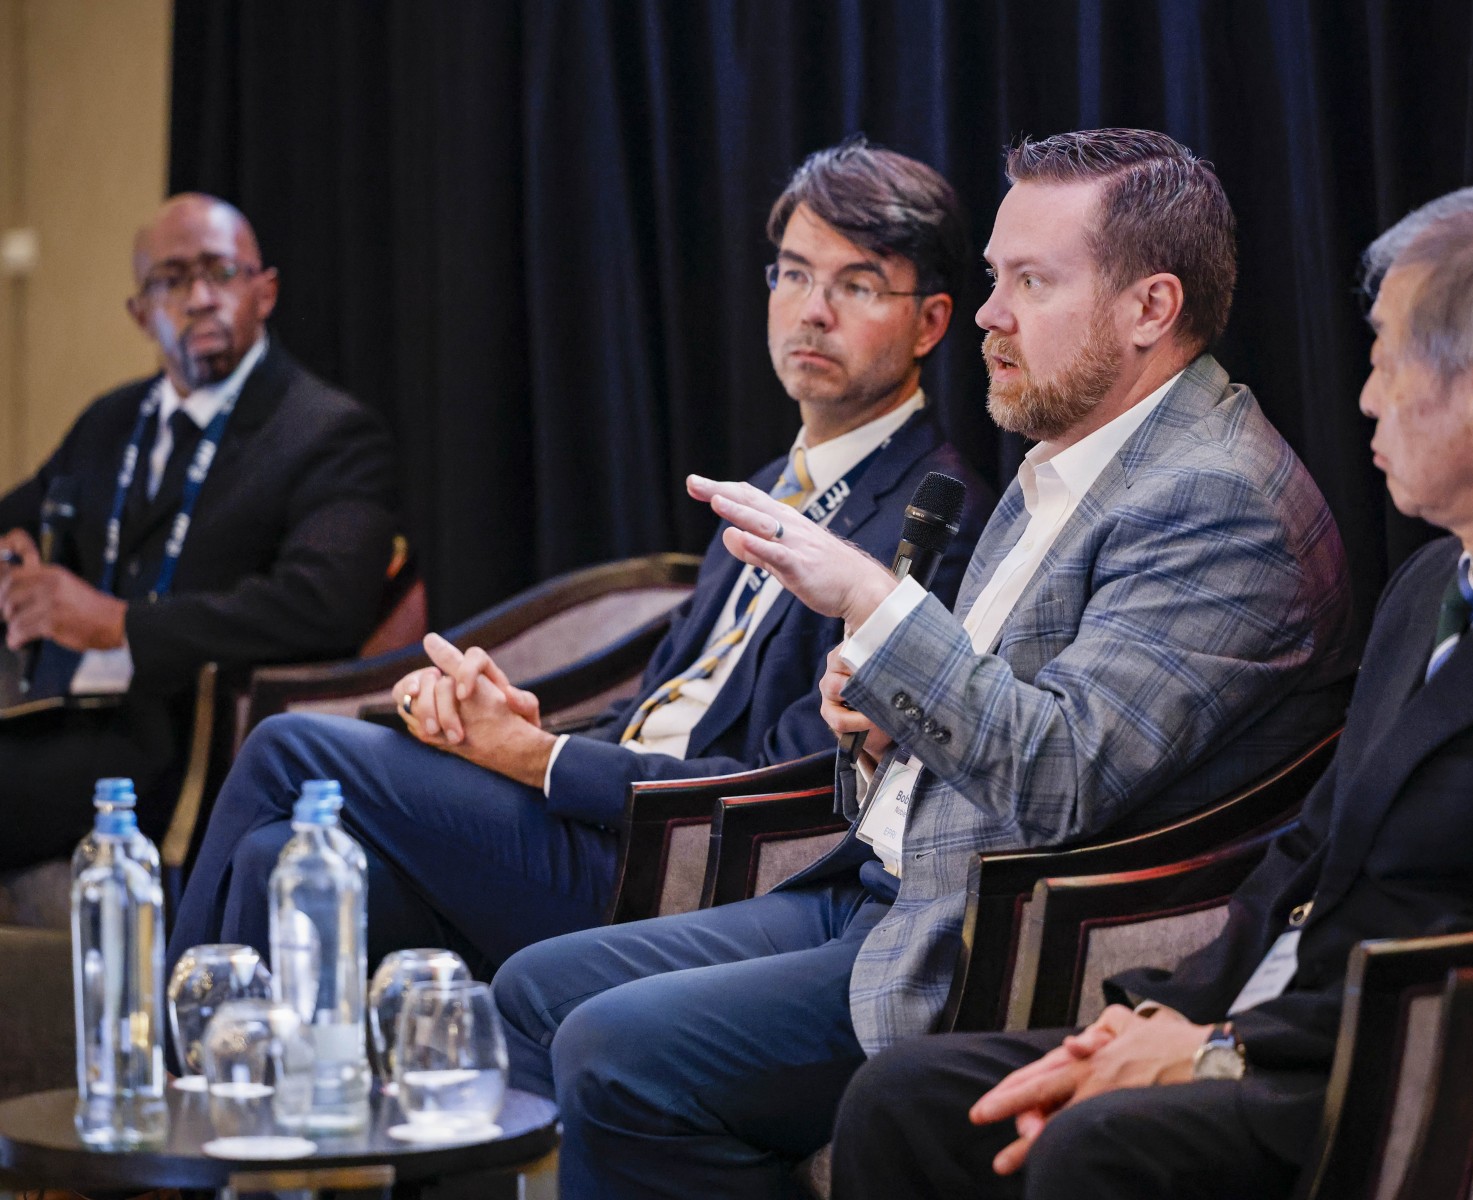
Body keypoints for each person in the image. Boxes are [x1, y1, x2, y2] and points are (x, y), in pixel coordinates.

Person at [490, 128, 1358, 1200]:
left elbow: (1059, 776)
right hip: (881, 882)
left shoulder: (1216, 500)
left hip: (989, 940)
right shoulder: (1073, 450)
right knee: (533, 990)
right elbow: (989, 713)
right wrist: (881, 728)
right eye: (994, 277)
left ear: (1151, 308)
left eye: (1031, 282)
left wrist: (872, 602)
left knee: (612, 1048)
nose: (991, 315)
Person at [828, 180, 1473, 1200]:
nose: (1366, 397)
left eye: (1387, 358)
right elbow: (1311, 851)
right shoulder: (1429, 583)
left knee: (1091, 1147)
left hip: (1391, 1066)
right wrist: (1157, 1016)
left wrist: (1218, 1050)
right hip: (1263, 1021)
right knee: (907, 1099)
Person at [166, 138, 995, 975]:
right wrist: (517, 723)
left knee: (286, 747)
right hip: (607, 817)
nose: (813, 310)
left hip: (682, 867)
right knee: (277, 854)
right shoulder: (772, 484)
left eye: (857, 285)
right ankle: (251, 1062)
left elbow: (798, 784)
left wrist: (539, 760)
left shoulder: (933, 516)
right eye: (794, 274)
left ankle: (157, 1048)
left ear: (930, 322)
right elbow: (666, 704)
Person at [0, 194, 398, 868]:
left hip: (194, 741)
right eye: (172, 279)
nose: (201, 298)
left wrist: (121, 624)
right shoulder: (108, 422)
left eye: (221, 272)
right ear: (140, 312)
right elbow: (19, 512)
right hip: (60, 714)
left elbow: (324, 604)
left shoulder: (327, 432)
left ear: (265, 293)